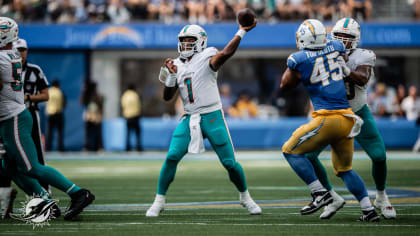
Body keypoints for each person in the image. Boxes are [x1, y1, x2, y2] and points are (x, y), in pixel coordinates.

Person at [146, 21, 261, 217]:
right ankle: (159, 201)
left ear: (201, 41)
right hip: (190, 117)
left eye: (190, 40)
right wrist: (172, 77)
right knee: (172, 156)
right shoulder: (175, 64)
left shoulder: (208, 55)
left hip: (212, 116)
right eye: (183, 41)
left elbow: (225, 55)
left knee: (230, 163)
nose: (185, 44)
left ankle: (245, 197)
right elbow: (167, 97)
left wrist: (241, 31)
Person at [280, 19, 379, 222]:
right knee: (345, 170)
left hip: (327, 118)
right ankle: (368, 210)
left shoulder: (298, 58)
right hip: (348, 118)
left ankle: (319, 192)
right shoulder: (336, 46)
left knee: (290, 150)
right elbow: (334, 55)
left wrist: (297, 67)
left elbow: (285, 85)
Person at [0, 17, 94, 221]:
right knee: (10, 168)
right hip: (10, 117)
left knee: (31, 167)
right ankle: (44, 201)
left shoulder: (3, 58)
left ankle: (78, 193)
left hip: (13, 118)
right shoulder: (10, 55)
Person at [305, 18, 396, 220]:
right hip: (331, 113)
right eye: (339, 37)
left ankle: (381, 196)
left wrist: (345, 70)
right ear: (331, 37)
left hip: (357, 113)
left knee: (379, 156)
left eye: (348, 37)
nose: (344, 41)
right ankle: (330, 195)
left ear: (356, 39)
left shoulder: (364, 56)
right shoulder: (323, 53)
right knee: (309, 156)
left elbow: (363, 77)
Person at [13, 38, 52, 192]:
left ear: (27, 51)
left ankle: (45, 190)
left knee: (37, 153)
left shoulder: (35, 70)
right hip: (9, 116)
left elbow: (46, 95)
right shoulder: (5, 69)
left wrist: (28, 97)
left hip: (30, 113)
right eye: (17, 50)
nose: (20, 53)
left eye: (22, 50)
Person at [81, 81, 104, 151]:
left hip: (94, 117)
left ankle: (97, 147)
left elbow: (100, 104)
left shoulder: (96, 95)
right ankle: (88, 147)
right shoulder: (88, 95)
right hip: (90, 116)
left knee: (96, 133)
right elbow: (82, 102)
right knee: (89, 133)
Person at [121, 83, 142, 151]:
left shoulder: (125, 95)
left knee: (128, 132)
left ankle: (127, 147)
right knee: (137, 133)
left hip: (127, 116)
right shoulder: (135, 95)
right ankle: (138, 147)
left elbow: (123, 105)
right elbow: (138, 105)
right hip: (135, 116)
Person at [46, 80, 66, 152]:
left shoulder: (49, 91)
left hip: (50, 113)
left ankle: (48, 148)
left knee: (49, 132)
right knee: (60, 132)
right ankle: (60, 148)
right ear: (58, 85)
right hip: (58, 113)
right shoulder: (60, 92)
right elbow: (64, 103)